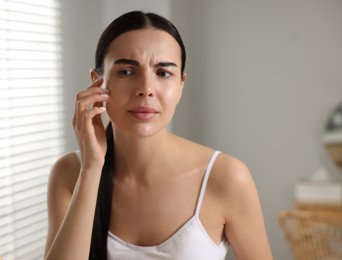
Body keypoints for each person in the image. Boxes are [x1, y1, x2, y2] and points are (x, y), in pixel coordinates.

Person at [44, 10, 273, 260]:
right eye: (127, 72)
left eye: (163, 73)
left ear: (181, 85)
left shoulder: (226, 177)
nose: (146, 90)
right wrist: (91, 168)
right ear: (97, 82)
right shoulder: (69, 174)